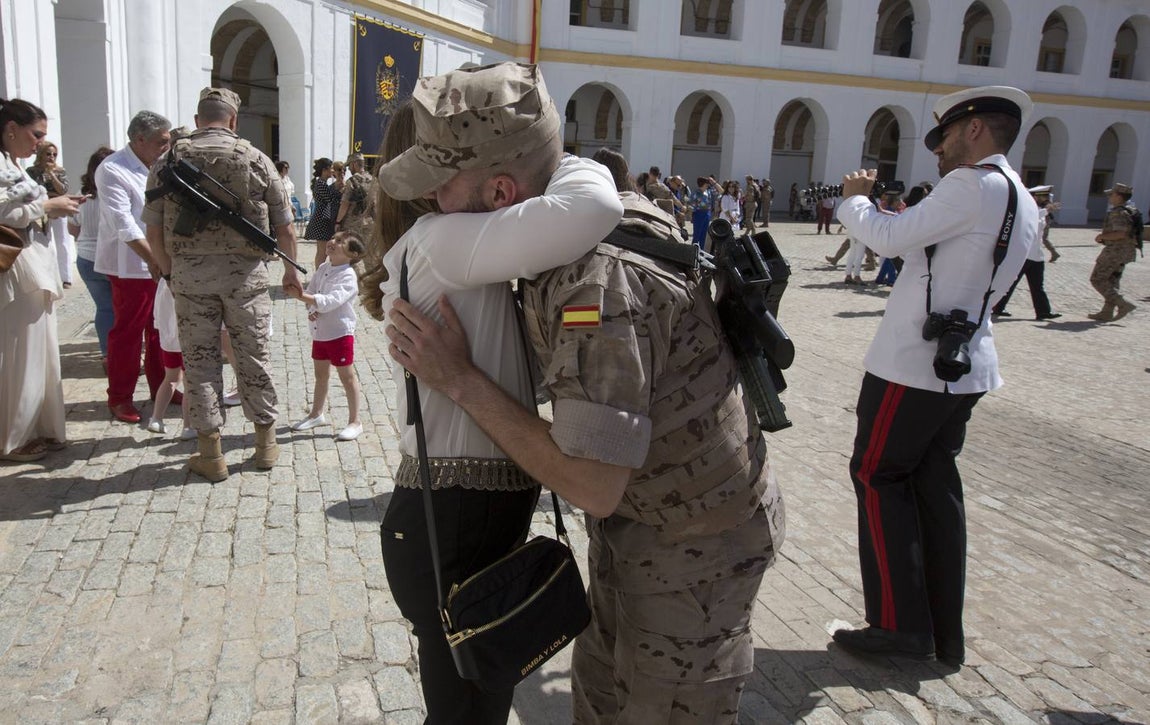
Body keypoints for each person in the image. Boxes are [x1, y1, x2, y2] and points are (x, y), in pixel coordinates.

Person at [382, 61, 785, 724]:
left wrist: (458, 380)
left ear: (501, 191)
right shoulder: (570, 228)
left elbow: (592, 482)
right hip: (650, 528)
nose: (433, 204)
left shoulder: (592, 284)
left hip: (692, 548)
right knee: (600, 703)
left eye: (441, 185)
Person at [372, 71, 623, 724]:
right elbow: (593, 206)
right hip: (449, 526)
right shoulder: (439, 243)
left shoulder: (447, 250)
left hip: (460, 523)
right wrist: (543, 150)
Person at [831, 85, 1040, 668]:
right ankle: (941, 630)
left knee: (876, 476)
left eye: (946, 135)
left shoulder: (972, 184)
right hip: (962, 364)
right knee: (934, 489)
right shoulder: (1021, 196)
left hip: (914, 368)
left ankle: (898, 626)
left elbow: (890, 238)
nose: (941, 150)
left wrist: (855, 201)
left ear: (974, 129)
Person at [144, 87, 302, 482]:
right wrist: (289, 273)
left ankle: (211, 454)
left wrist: (168, 272)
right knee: (253, 358)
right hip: (246, 279)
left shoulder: (169, 159)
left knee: (199, 363)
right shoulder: (258, 159)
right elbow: (285, 227)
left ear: (198, 119)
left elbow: (152, 229)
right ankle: (265, 445)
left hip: (191, 280)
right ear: (233, 120)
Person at [0, 98, 83, 462]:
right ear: (11, 129)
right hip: (17, 269)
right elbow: (6, 211)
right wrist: (48, 207)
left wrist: (56, 202)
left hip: (33, 262)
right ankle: (13, 437)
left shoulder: (12, 163)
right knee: (19, 354)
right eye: (37, 135)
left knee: (39, 352)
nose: (40, 143)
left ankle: (37, 427)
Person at [94, 110, 173, 424]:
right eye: (161, 142)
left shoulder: (158, 164)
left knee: (159, 330)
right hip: (129, 264)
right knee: (128, 334)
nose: (167, 147)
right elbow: (123, 224)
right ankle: (120, 397)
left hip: (157, 260)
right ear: (140, 139)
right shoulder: (113, 169)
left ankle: (162, 386)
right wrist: (153, 258)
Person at [288, 231, 365, 442]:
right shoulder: (323, 267)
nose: (332, 242)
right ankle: (316, 413)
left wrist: (302, 297)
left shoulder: (348, 276)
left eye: (340, 242)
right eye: (334, 238)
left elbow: (332, 300)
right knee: (320, 375)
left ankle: (355, 421)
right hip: (320, 333)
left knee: (347, 377)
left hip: (339, 333)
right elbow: (314, 289)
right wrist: (310, 309)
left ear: (352, 254)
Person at [68, 146, 115, 365]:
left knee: (104, 308)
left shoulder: (82, 194)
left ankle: (108, 354)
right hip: (113, 259)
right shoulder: (115, 193)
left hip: (86, 258)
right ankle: (126, 354)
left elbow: (73, 228)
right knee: (123, 310)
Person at [991, 184, 1061, 320]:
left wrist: (1046, 211)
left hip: (1036, 255)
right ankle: (997, 306)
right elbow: (1030, 220)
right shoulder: (1030, 210)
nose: (1046, 199)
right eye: (1043, 196)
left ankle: (1043, 311)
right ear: (1035, 197)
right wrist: (1046, 211)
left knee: (1037, 285)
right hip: (1025, 254)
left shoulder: (1040, 211)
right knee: (1010, 282)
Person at [147, 277, 194, 439]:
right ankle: (188, 427)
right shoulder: (188, 278)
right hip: (188, 339)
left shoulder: (163, 282)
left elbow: (157, 313)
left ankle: (156, 418)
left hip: (168, 341)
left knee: (170, 378)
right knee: (190, 384)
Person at [1087, 182, 1139, 322]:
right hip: (1125, 252)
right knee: (1111, 281)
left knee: (1097, 279)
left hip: (1115, 251)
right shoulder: (1130, 209)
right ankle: (1107, 312)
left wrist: (1102, 236)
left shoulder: (1118, 212)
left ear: (1119, 196)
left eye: (1112, 194)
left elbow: (1121, 233)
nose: (1109, 197)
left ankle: (1123, 304)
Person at [27, 140, 73, 288]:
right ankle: (45, 275)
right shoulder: (31, 172)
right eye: (48, 154)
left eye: (54, 154)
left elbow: (63, 190)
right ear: (41, 154)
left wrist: (52, 175)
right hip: (41, 209)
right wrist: (49, 192)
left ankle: (66, 277)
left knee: (62, 242)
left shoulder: (60, 171)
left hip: (59, 209)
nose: (51, 157)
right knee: (41, 241)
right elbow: (33, 191)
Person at [304, 157, 340, 266]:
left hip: (324, 219)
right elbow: (332, 199)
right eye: (331, 168)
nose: (332, 171)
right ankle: (318, 274)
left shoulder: (322, 183)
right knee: (322, 252)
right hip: (321, 220)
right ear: (325, 170)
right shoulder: (321, 184)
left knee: (323, 251)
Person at [334, 153, 375, 238]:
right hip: (370, 223)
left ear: (354, 164)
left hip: (353, 224)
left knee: (352, 250)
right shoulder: (373, 180)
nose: (348, 168)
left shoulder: (352, 181)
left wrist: (338, 222)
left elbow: (345, 204)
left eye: (349, 165)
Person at [687, 175, 714, 248]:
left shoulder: (708, 192)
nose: (708, 184)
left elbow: (720, 191)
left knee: (704, 235)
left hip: (707, 214)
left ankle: (701, 251)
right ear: (702, 184)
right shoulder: (696, 193)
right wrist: (690, 215)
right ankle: (693, 249)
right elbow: (691, 205)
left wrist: (713, 182)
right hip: (698, 214)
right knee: (697, 234)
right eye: (706, 183)